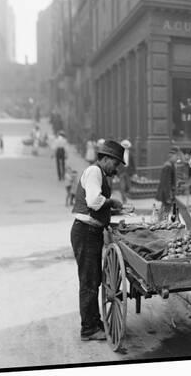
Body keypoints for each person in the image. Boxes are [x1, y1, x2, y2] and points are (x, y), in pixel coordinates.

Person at [70, 140, 125, 341]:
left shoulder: (100, 174)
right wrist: (112, 202)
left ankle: (94, 322)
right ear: (106, 159)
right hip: (85, 232)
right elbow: (94, 202)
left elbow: (98, 202)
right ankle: (88, 329)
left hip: (91, 232)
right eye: (115, 164)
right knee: (89, 282)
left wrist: (111, 209)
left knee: (93, 280)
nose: (116, 168)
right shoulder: (94, 172)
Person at [155, 146, 191, 232]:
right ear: (171, 156)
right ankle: (190, 229)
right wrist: (169, 196)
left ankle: (159, 228)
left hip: (168, 195)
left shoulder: (171, 165)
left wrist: (177, 184)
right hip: (168, 195)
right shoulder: (168, 166)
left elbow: (169, 181)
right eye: (176, 156)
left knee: (165, 213)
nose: (177, 158)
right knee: (182, 209)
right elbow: (165, 183)